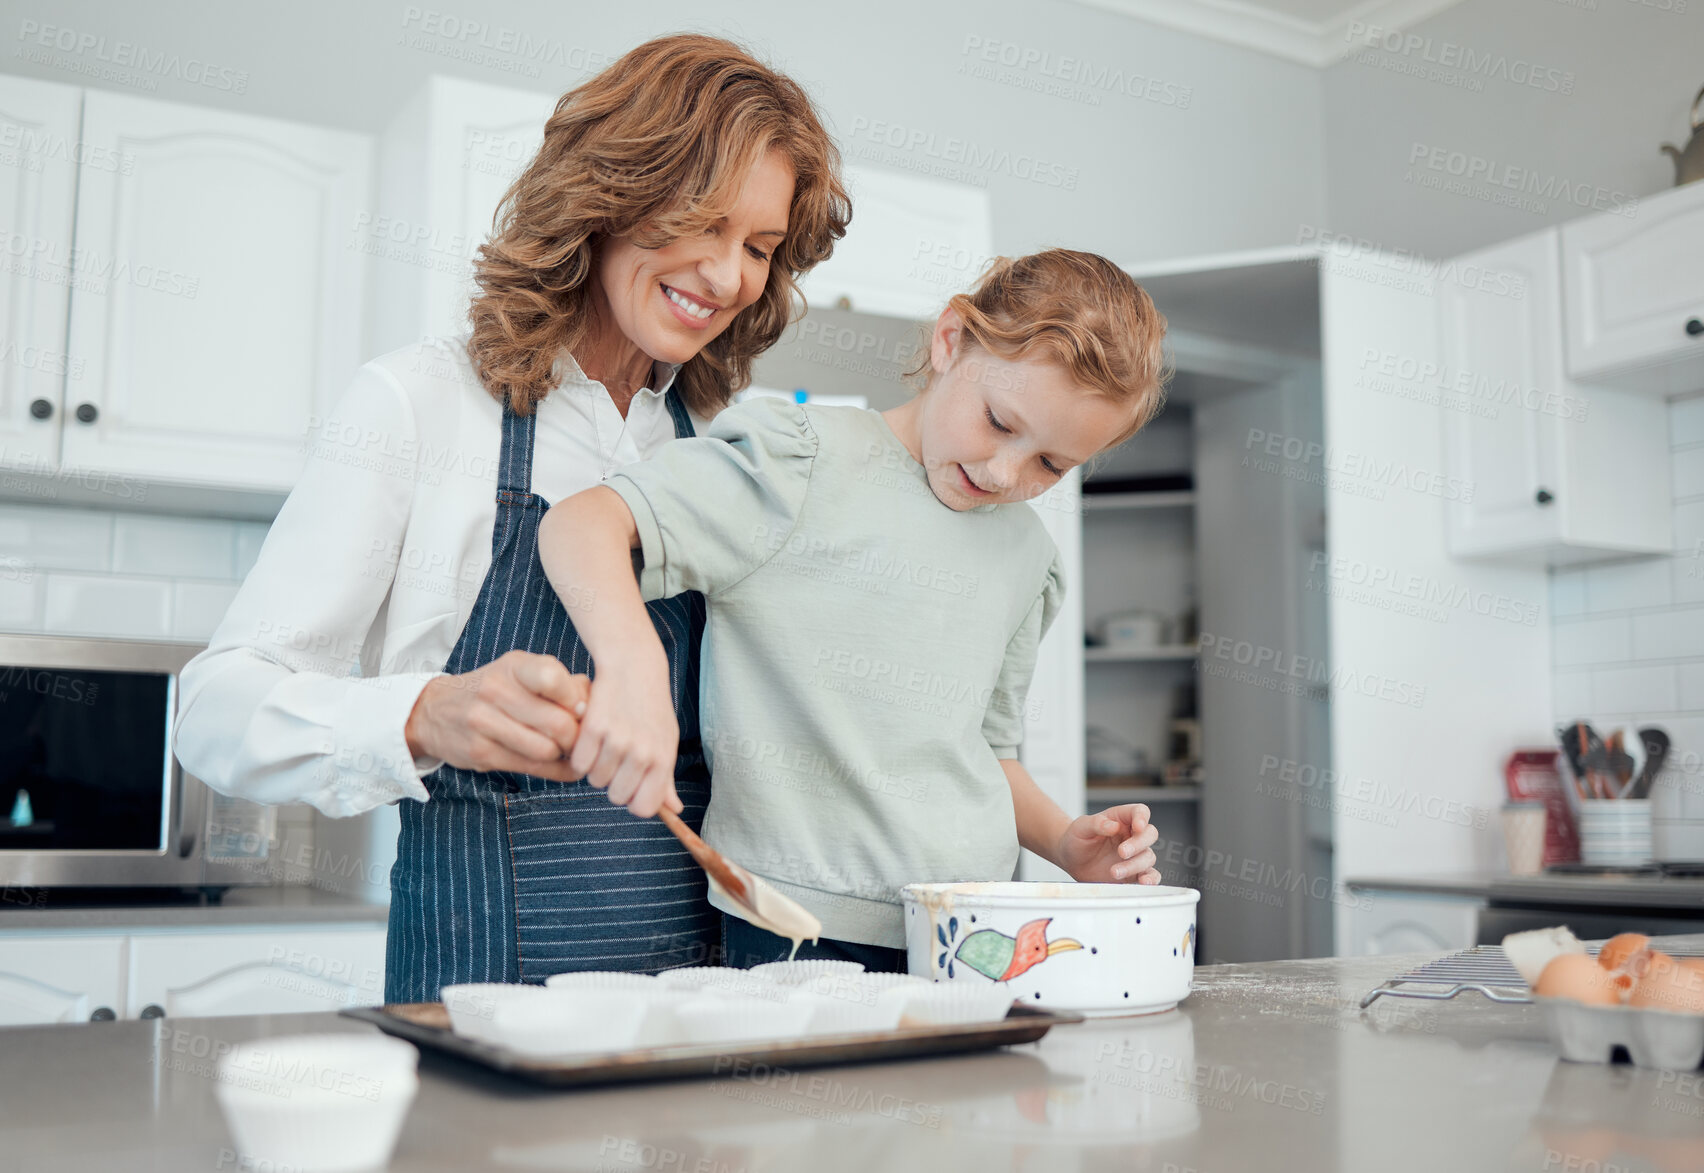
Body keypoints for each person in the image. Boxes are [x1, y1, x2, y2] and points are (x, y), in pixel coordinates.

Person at [172, 34, 850, 1000]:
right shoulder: (419, 403)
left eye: (760, 248)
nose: (728, 274)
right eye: (703, 221)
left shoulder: (721, 446)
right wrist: (423, 712)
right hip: (484, 986)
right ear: (609, 193)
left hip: (702, 997)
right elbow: (214, 711)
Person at [537, 250, 1169, 972]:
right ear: (951, 340)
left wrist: (1063, 841)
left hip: (975, 924)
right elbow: (580, 526)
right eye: (998, 420)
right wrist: (634, 672)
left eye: (1051, 466)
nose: (1004, 473)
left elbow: (989, 752)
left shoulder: (1030, 557)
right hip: (795, 918)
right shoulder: (799, 460)